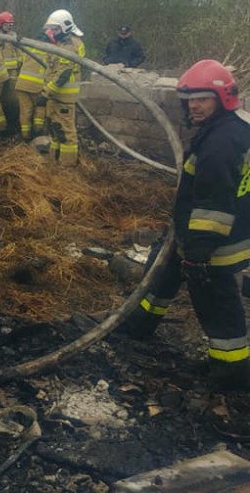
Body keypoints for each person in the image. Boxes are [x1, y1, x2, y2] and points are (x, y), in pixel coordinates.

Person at [120, 60, 250, 391]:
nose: (194, 106)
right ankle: (139, 323)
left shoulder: (221, 143)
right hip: (191, 233)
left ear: (222, 99)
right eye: (190, 99)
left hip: (213, 243)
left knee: (216, 303)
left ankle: (230, 369)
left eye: (202, 99)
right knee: (161, 272)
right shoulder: (228, 129)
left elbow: (213, 204)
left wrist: (198, 253)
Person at [39, 9, 85, 166]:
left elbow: (62, 74)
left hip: (63, 96)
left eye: (55, 29)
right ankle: (53, 164)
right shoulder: (61, 42)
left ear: (65, 27)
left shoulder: (71, 45)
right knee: (55, 131)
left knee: (66, 134)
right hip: (55, 96)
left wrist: (45, 93)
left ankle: (66, 168)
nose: (52, 32)